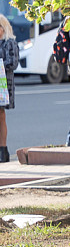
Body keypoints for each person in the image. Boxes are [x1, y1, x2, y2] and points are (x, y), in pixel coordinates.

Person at [0, 15, 19, 163]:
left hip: (3, 87)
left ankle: (3, 150)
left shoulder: (9, 43)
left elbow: (12, 63)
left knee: (1, 117)